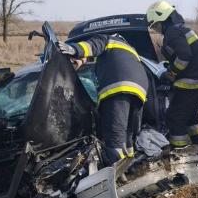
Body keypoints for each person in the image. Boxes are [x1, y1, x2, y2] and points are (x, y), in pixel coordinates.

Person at [57, 33, 148, 166]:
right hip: (140, 89)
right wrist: (81, 60)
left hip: (119, 86)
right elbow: (94, 56)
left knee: (114, 135)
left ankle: (117, 174)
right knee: (127, 134)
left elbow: (92, 46)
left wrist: (74, 49)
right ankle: (130, 168)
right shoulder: (128, 50)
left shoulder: (106, 38)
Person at [146, 0, 198, 148]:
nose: (157, 29)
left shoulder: (172, 32)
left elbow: (184, 56)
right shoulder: (180, 28)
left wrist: (172, 72)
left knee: (174, 117)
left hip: (194, 81)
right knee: (190, 115)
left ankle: (180, 152)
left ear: (163, 19)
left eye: (156, 25)